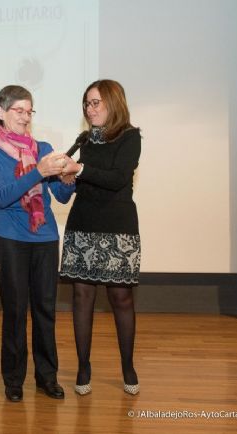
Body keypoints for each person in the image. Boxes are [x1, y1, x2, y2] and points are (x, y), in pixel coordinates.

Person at [0, 85, 75, 402]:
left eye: (29, 110)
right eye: (18, 110)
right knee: (16, 312)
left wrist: (67, 180)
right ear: (1, 112)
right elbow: (3, 197)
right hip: (11, 241)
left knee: (46, 311)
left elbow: (58, 196)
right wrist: (38, 171)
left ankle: (47, 377)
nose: (25, 116)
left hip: (46, 239)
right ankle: (13, 380)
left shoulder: (43, 147)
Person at [59, 79, 141, 396]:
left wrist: (78, 170)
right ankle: (83, 367)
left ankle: (128, 366)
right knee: (82, 298)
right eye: (87, 103)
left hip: (118, 228)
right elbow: (73, 178)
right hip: (82, 225)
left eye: (96, 103)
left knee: (121, 298)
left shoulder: (130, 137)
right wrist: (63, 173)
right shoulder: (83, 140)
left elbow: (118, 178)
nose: (90, 109)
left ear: (113, 103)